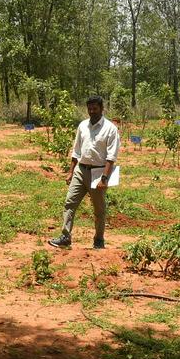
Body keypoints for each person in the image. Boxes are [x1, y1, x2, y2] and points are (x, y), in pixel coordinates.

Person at [49, 96, 120, 249]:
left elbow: (111, 157)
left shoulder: (110, 129)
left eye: (95, 108)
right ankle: (65, 237)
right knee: (70, 203)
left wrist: (104, 178)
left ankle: (99, 240)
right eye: (89, 109)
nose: (92, 112)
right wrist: (70, 172)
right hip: (81, 171)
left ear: (102, 109)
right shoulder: (82, 126)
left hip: (98, 173)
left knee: (98, 209)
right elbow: (76, 151)